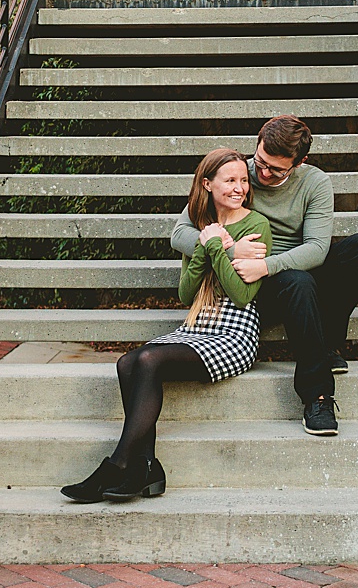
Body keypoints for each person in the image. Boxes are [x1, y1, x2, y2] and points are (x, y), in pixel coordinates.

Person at [62, 148, 272, 503]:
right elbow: (186, 293)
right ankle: (146, 467)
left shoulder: (256, 224)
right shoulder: (198, 225)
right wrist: (206, 246)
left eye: (242, 181)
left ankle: (120, 464)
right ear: (207, 184)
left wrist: (219, 249)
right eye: (230, 180)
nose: (240, 188)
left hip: (235, 333)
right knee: (127, 361)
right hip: (197, 324)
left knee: (148, 360)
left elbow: (240, 294)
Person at [171, 115, 358, 437]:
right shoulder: (237, 174)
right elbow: (179, 233)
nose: (263, 174)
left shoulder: (315, 183)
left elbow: (315, 249)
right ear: (258, 144)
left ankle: (326, 344)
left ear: (299, 163)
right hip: (253, 283)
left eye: (276, 169)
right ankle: (317, 396)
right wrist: (230, 253)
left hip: (284, 270)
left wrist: (267, 265)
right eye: (261, 162)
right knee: (297, 281)